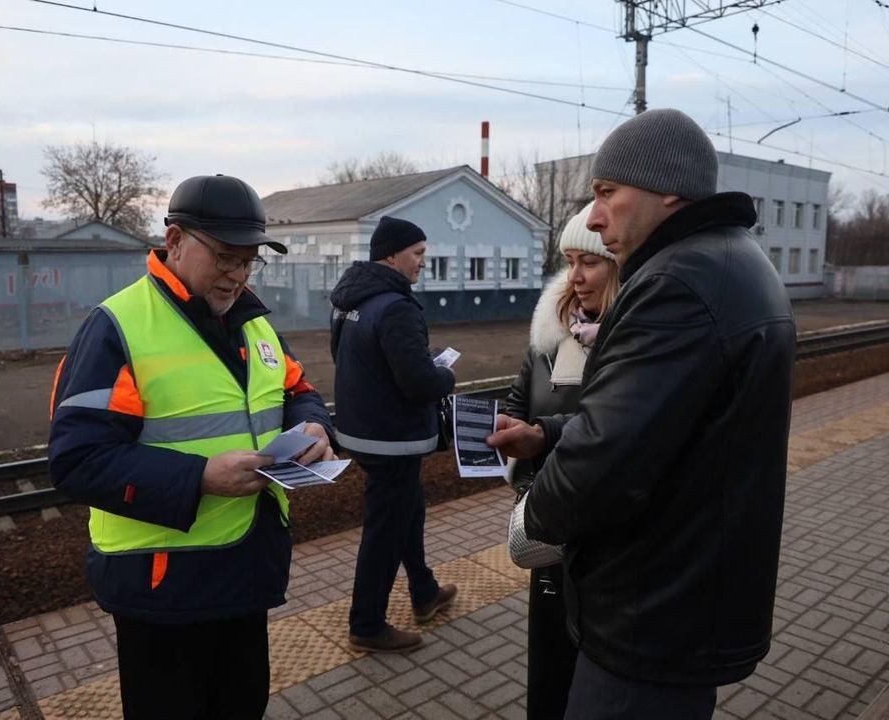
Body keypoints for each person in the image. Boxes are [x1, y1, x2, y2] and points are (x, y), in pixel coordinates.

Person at [488, 109, 796, 719]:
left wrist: (531, 520)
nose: (595, 217)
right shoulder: (733, 261)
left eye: (606, 193)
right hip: (687, 594)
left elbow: (604, 461)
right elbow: (654, 426)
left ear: (668, 187)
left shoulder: (677, 281)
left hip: (650, 614)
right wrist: (548, 432)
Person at [48, 174, 334, 720]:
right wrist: (200, 476)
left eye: (249, 260)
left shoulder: (253, 324)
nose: (237, 275)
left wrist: (315, 426)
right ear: (175, 241)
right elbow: (76, 459)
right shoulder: (117, 328)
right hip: (162, 590)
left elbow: (299, 389)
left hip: (247, 571)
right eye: (225, 257)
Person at [504, 200, 618, 719]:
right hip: (548, 526)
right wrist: (509, 436)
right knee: (549, 668)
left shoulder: (636, 344)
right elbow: (517, 399)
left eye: (588, 263)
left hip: (604, 541)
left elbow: (610, 435)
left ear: (619, 266)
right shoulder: (550, 336)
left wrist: (540, 437)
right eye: (568, 262)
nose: (574, 278)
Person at [330, 215, 458, 653]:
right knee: (385, 528)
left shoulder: (349, 301)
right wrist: (445, 376)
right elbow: (418, 383)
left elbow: (348, 358)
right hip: (393, 437)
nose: (423, 262)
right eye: (418, 254)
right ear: (391, 255)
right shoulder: (397, 306)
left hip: (360, 429)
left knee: (409, 508)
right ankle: (366, 624)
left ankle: (424, 592)